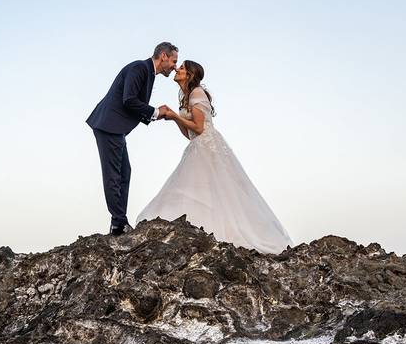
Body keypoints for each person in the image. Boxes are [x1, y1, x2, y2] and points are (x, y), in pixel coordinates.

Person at [136, 60, 293, 253]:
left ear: (191, 75)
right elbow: (189, 134)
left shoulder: (197, 93)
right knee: (198, 189)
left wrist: (174, 115)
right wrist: (174, 119)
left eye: (182, 68)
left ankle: (221, 233)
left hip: (208, 148)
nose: (177, 69)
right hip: (197, 146)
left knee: (211, 190)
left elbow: (200, 129)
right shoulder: (186, 96)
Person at [87, 42, 178, 236]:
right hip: (108, 125)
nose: (175, 66)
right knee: (114, 175)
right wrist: (155, 112)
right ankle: (119, 224)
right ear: (163, 56)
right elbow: (129, 100)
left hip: (114, 128)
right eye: (173, 60)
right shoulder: (140, 67)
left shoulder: (148, 72)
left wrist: (155, 113)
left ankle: (117, 222)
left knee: (124, 172)